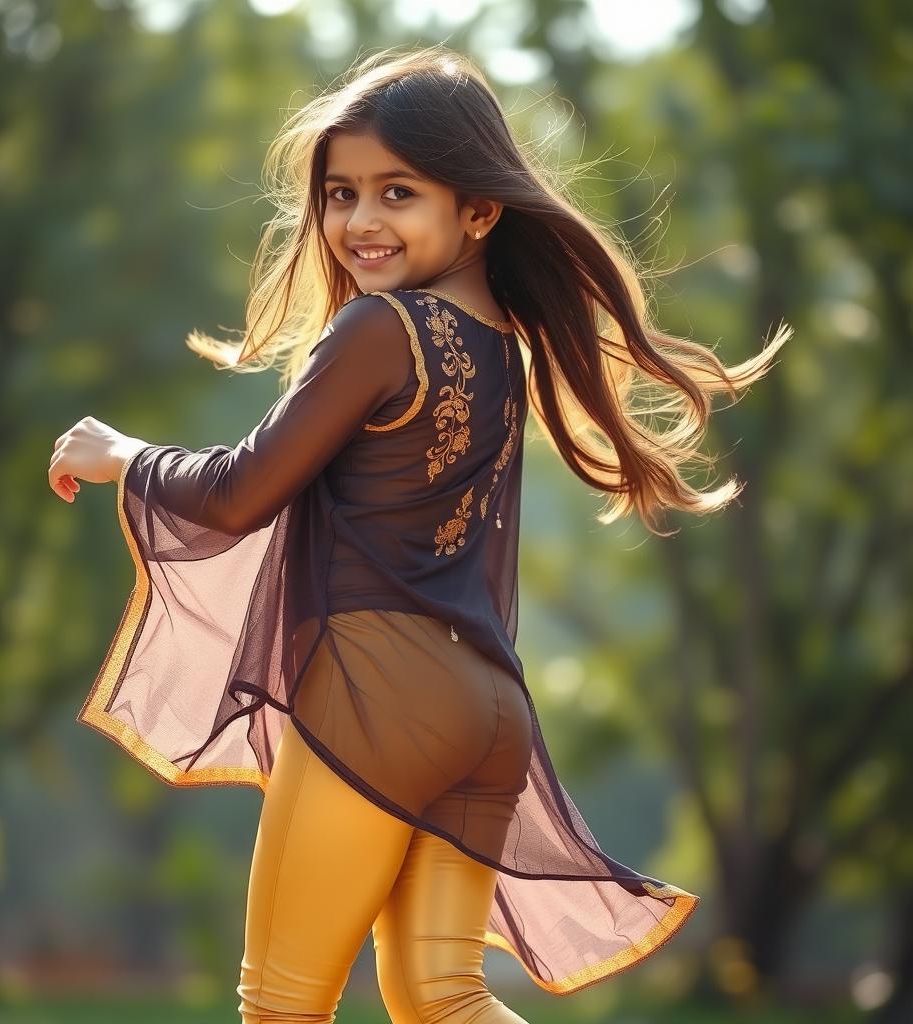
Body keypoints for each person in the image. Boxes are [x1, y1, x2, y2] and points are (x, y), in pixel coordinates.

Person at [48, 45, 791, 1023]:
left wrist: (123, 455)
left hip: (379, 691)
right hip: (486, 710)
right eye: (340, 193)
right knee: (443, 998)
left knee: (279, 1004)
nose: (359, 221)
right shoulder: (501, 353)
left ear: (476, 210)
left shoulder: (378, 332)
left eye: (397, 193)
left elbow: (237, 493)